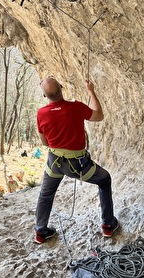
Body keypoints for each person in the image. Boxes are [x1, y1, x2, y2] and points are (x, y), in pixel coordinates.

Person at [34, 77, 118, 244]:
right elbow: (99, 115)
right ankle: (108, 225)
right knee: (104, 179)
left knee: (46, 193)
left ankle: (41, 232)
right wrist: (91, 91)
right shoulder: (76, 107)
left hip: (55, 163)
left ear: (45, 96)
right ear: (62, 87)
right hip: (78, 164)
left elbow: (45, 142)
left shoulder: (41, 113)